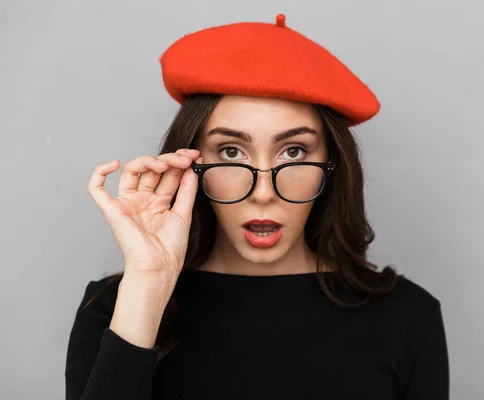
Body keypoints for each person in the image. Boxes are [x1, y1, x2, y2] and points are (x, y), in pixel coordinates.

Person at [65, 13, 449, 400]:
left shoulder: (408, 317)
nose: (263, 191)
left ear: (331, 167)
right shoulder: (116, 306)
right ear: (192, 164)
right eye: (231, 151)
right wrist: (147, 283)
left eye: (294, 151)